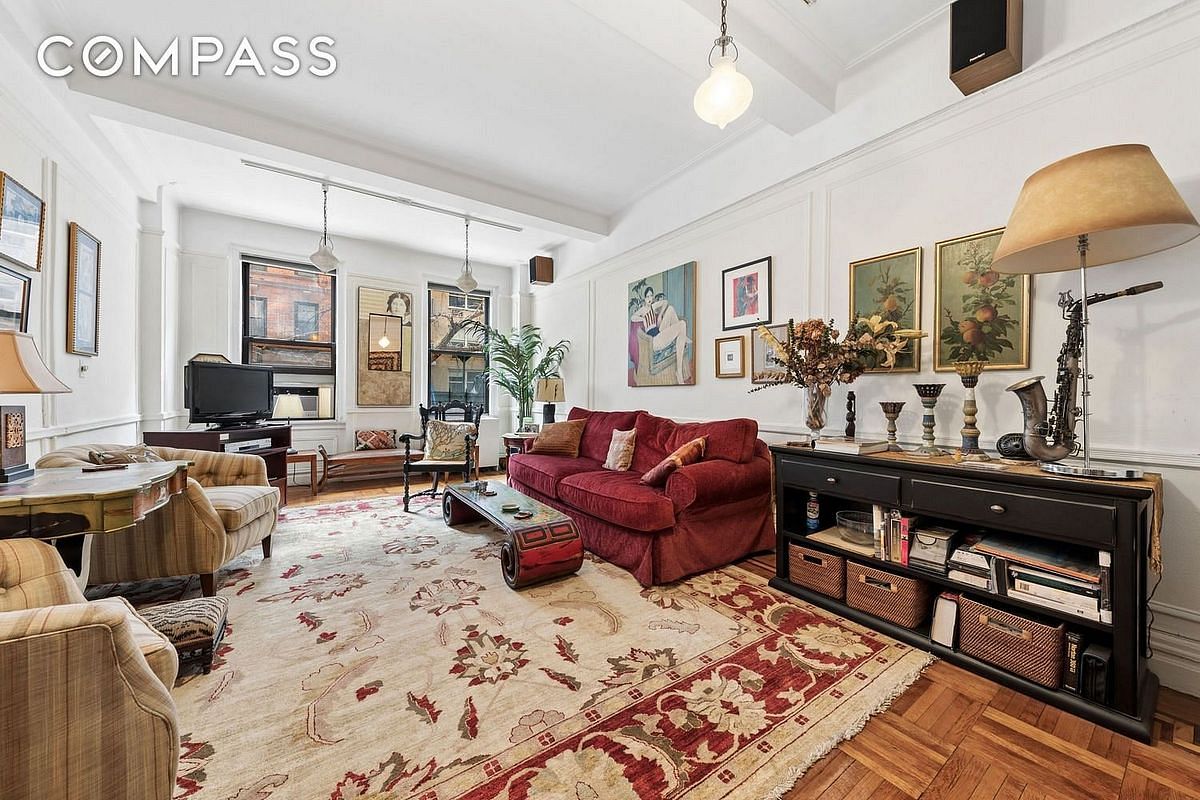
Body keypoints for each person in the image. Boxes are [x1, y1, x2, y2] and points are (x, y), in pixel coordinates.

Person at [632, 285, 692, 383]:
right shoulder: (642, 310)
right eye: (647, 297)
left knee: (670, 308)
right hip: (654, 341)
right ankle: (679, 372)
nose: (649, 299)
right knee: (682, 324)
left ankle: (682, 336)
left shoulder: (653, 306)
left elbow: (665, 302)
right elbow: (633, 317)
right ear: (644, 298)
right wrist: (643, 319)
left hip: (659, 333)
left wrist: (660, 315)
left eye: (651, 296)